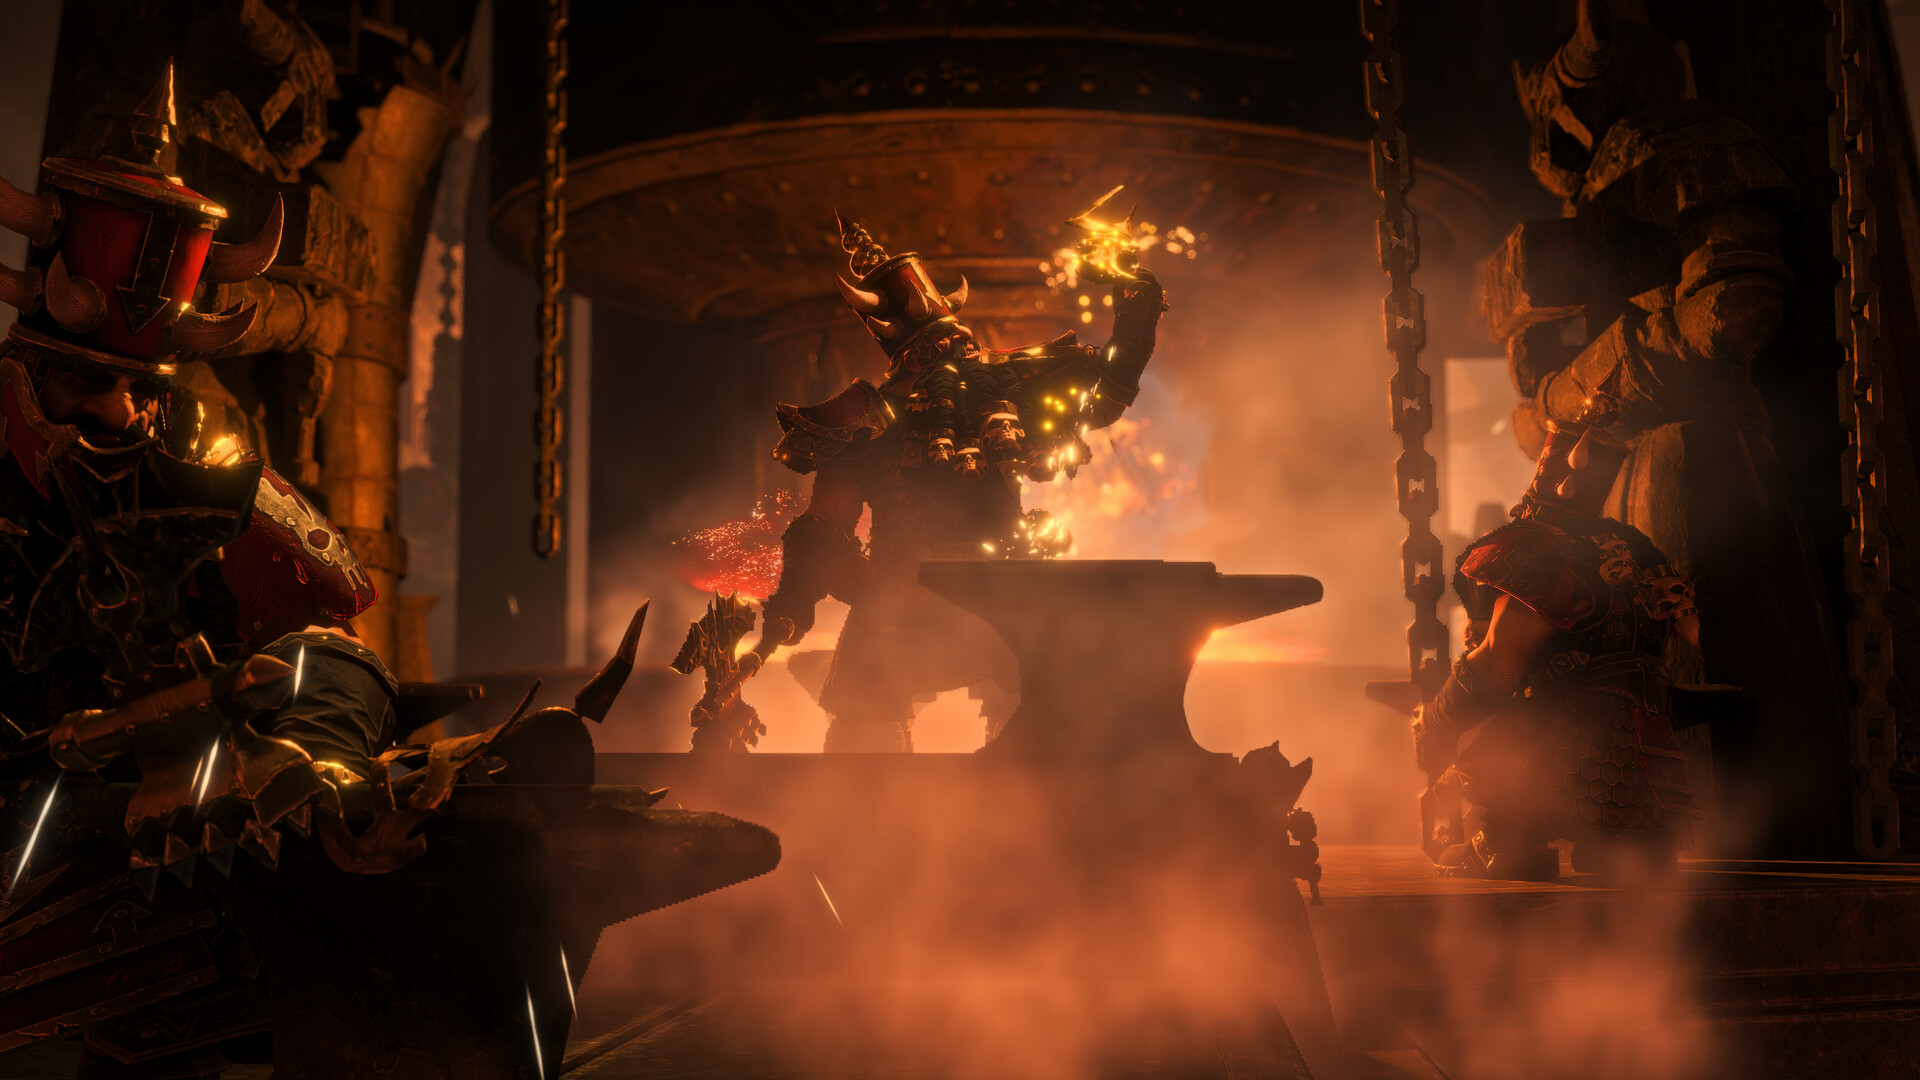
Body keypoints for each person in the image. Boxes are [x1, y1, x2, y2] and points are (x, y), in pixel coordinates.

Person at [747, 209, 1166, 752]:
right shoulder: (885, 415)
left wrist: (1134, 300)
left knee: (1032, 739)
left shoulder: (997, 393)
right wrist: (796, 603)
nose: (960, 357)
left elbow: (1107, 392)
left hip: (984, 598)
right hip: (931, 604)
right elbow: (822, 530)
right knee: (866, 747)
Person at [1413, 393, 1703, 880]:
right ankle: (1628, 847)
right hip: (1646, 757)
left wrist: (1437, 719)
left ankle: (1513, 845)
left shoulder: (1538, 548)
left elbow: (1501, 662)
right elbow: (1682, 633)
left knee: (1508, 834)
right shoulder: (1640, 549)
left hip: (1557, 744)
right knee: (1634, 864)